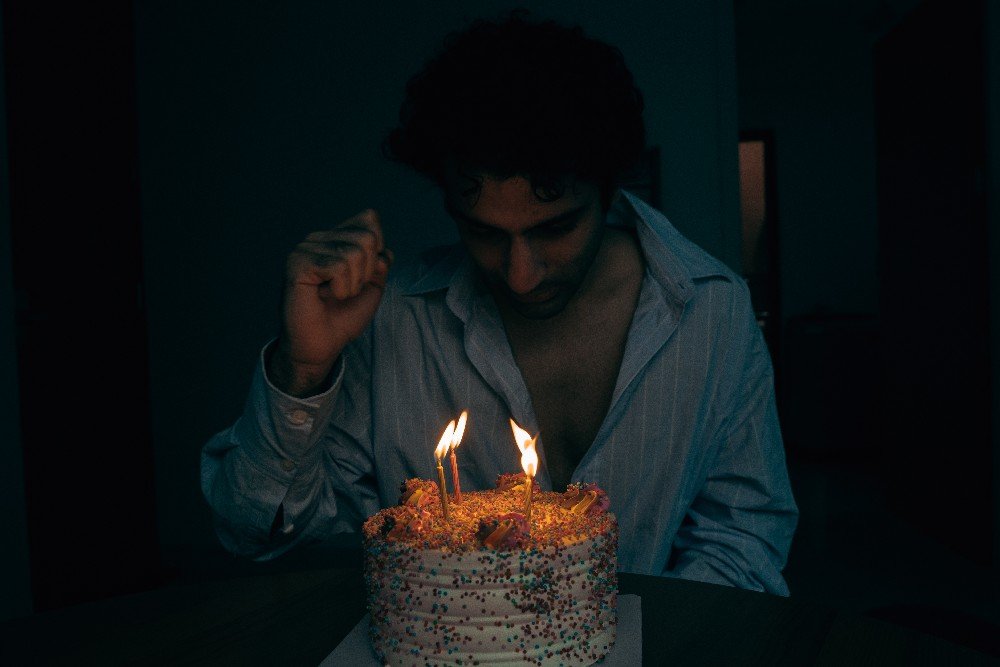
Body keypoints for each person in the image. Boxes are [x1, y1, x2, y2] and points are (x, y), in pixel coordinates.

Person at [201, 11, 798, 595]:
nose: (520, 276)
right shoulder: (396, 320)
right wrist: (302, 370)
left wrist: (634, 640)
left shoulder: (712, 314)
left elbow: (743, 540)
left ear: (612, 190)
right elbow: (257, 532)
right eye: (484, 233)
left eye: (554, 229)